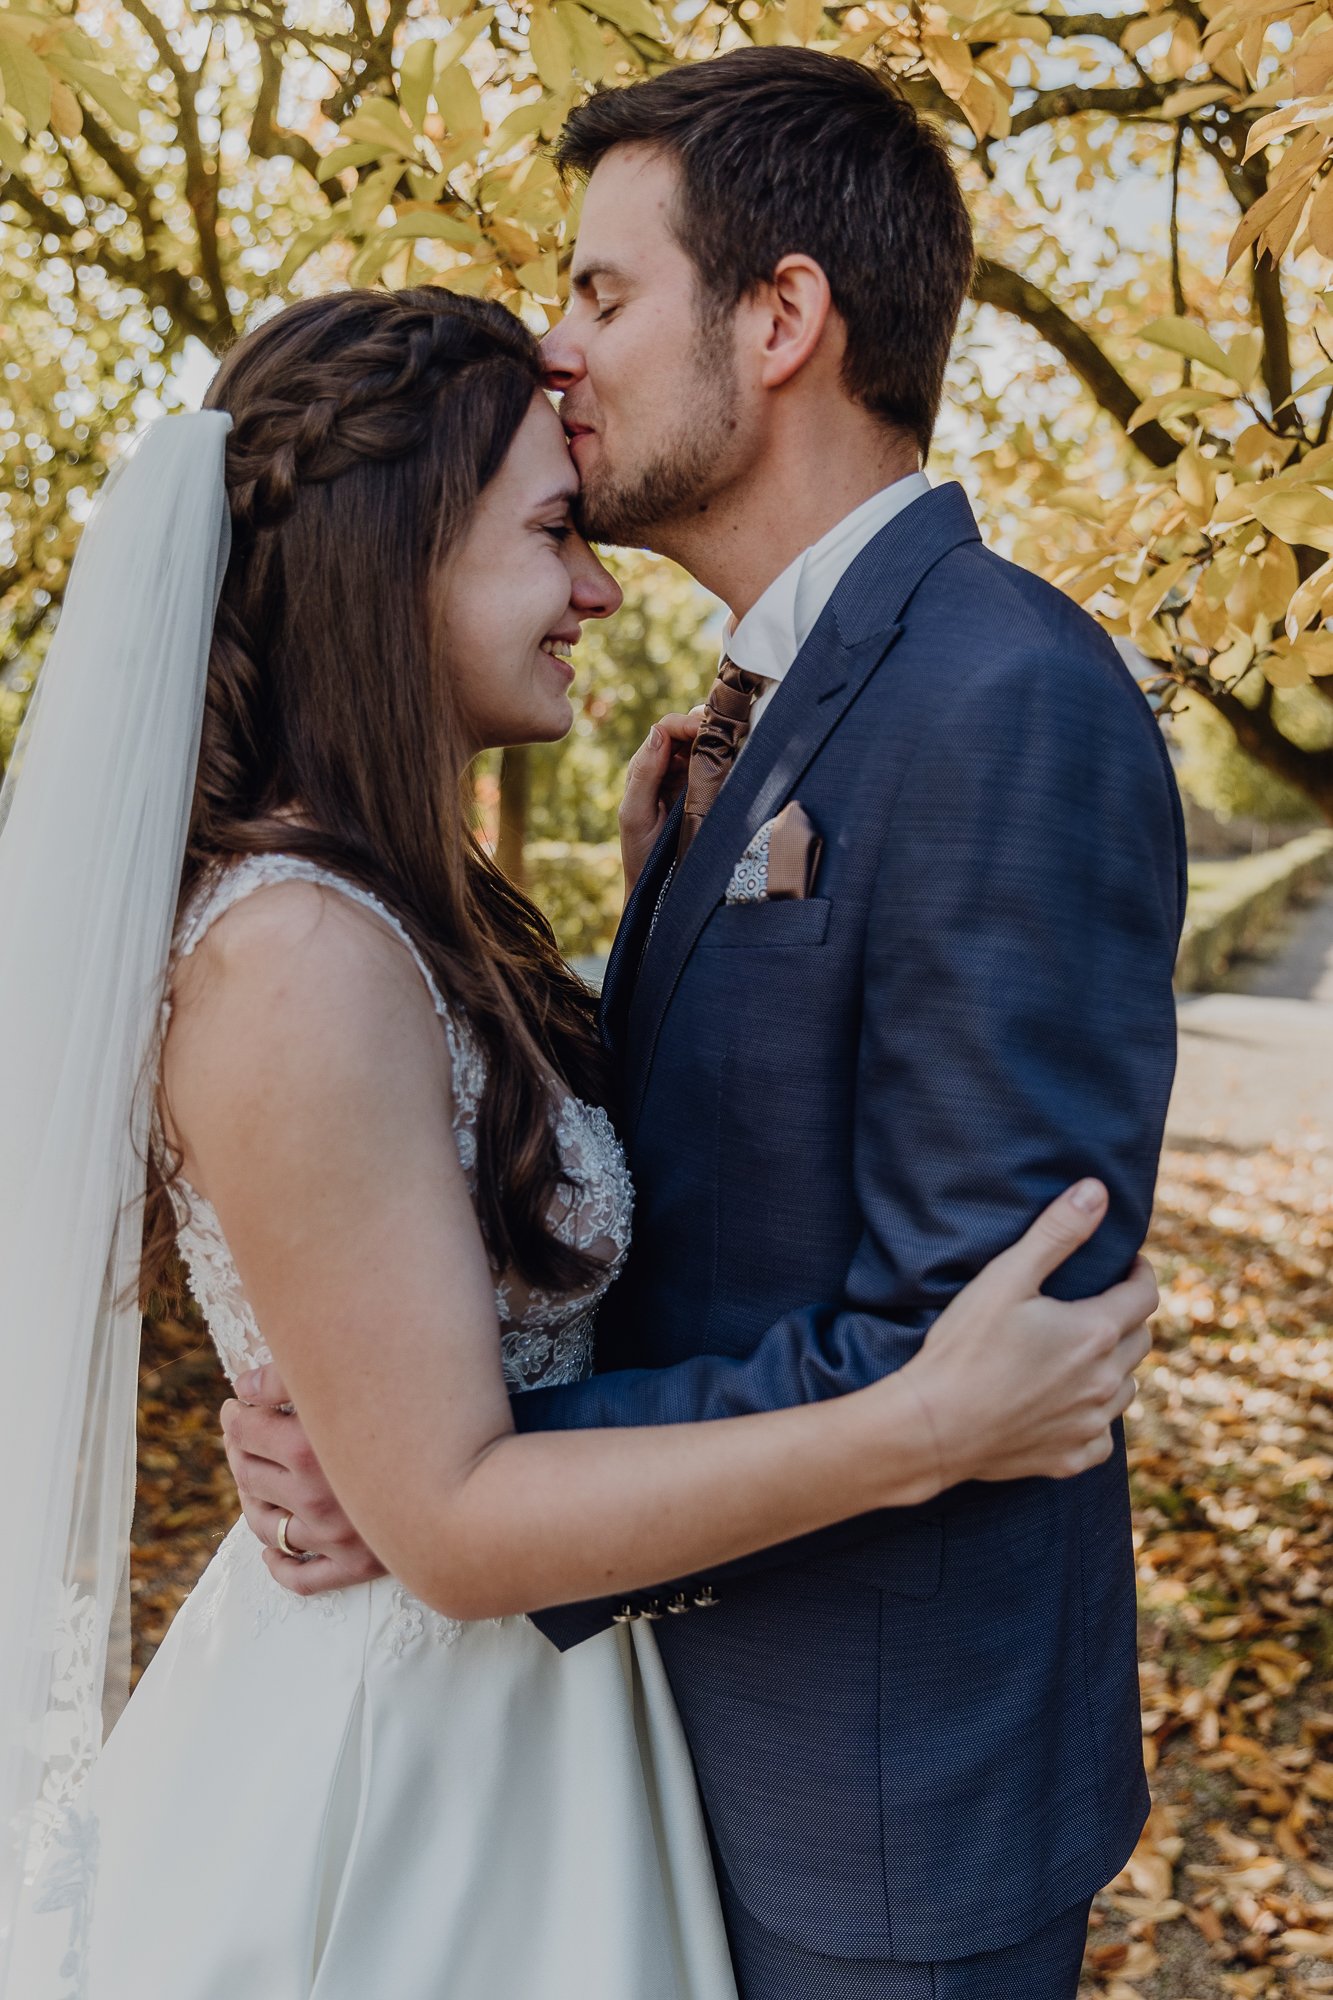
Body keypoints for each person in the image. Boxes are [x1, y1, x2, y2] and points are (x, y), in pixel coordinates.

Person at [0, 284, 1152, 2000]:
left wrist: (654, 912)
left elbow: (495, 1220)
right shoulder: (297, 957)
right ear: (393, 564)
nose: (599, 590)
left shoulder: (393, 906)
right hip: (421, 1776)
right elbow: (452, 1523)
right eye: (552, 536)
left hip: (578, 1715)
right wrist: (924, 1423)